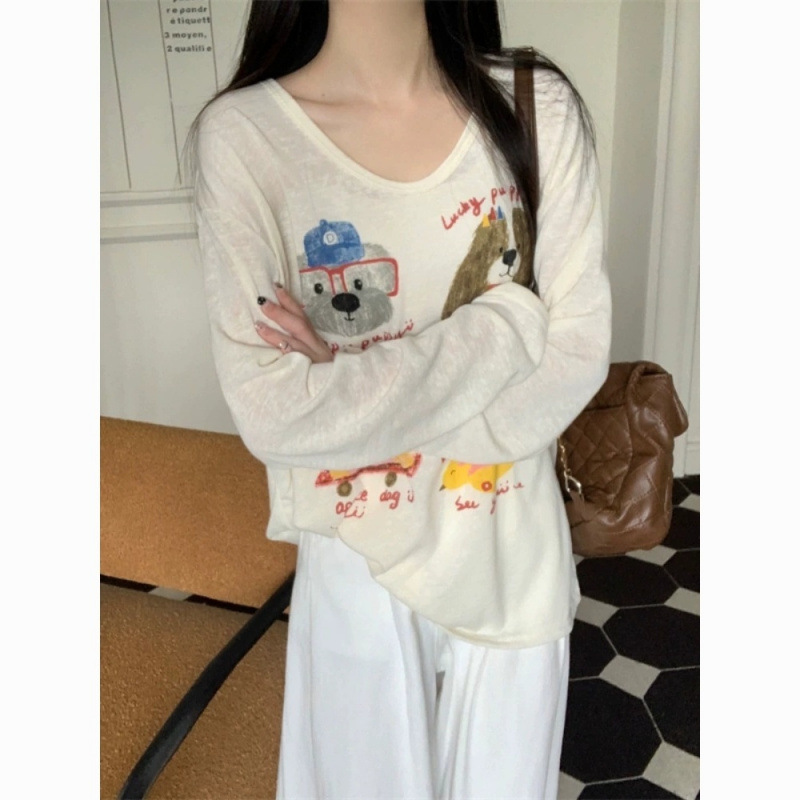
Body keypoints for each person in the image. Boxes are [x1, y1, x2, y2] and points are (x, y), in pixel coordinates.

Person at [192, 1, 611, 797]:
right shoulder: (245, 137)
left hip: (511, 549)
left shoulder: (535, 103)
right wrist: (507, 325)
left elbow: (578, 353)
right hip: (363, 558)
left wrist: (348, 388)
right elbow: (275, 411)